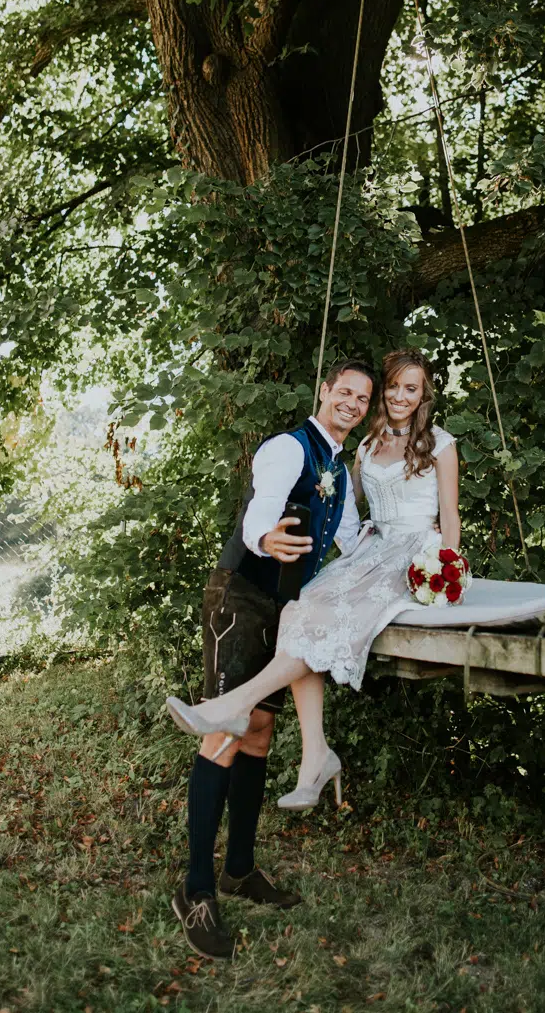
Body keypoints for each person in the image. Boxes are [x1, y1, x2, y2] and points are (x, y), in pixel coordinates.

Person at [167, 348, 459, 810]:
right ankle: (315, 754)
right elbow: (341, 516)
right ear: (332, 392)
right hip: (367, 548)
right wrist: (275, 537)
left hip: (416, 553)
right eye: (392, 386)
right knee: (304, 608)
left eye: (412, 388)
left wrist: (446, 568)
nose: (399, 396)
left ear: (423, 395)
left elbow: (451, 515)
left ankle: (233, 707)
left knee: (314, 616)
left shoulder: (440, 443)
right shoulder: (360, 450)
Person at [171, 358, 375, 960]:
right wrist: (264, 538)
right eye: (345, 392)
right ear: (325, 391)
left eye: (363, 398)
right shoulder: (288, 447)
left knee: (260, 733)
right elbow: (263, 507)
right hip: (241, 596)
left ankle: (238, 869)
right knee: (227, 731)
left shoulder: (339, 463)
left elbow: (351, 535)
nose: (353, 403)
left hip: (286, 605)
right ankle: (196, 889)